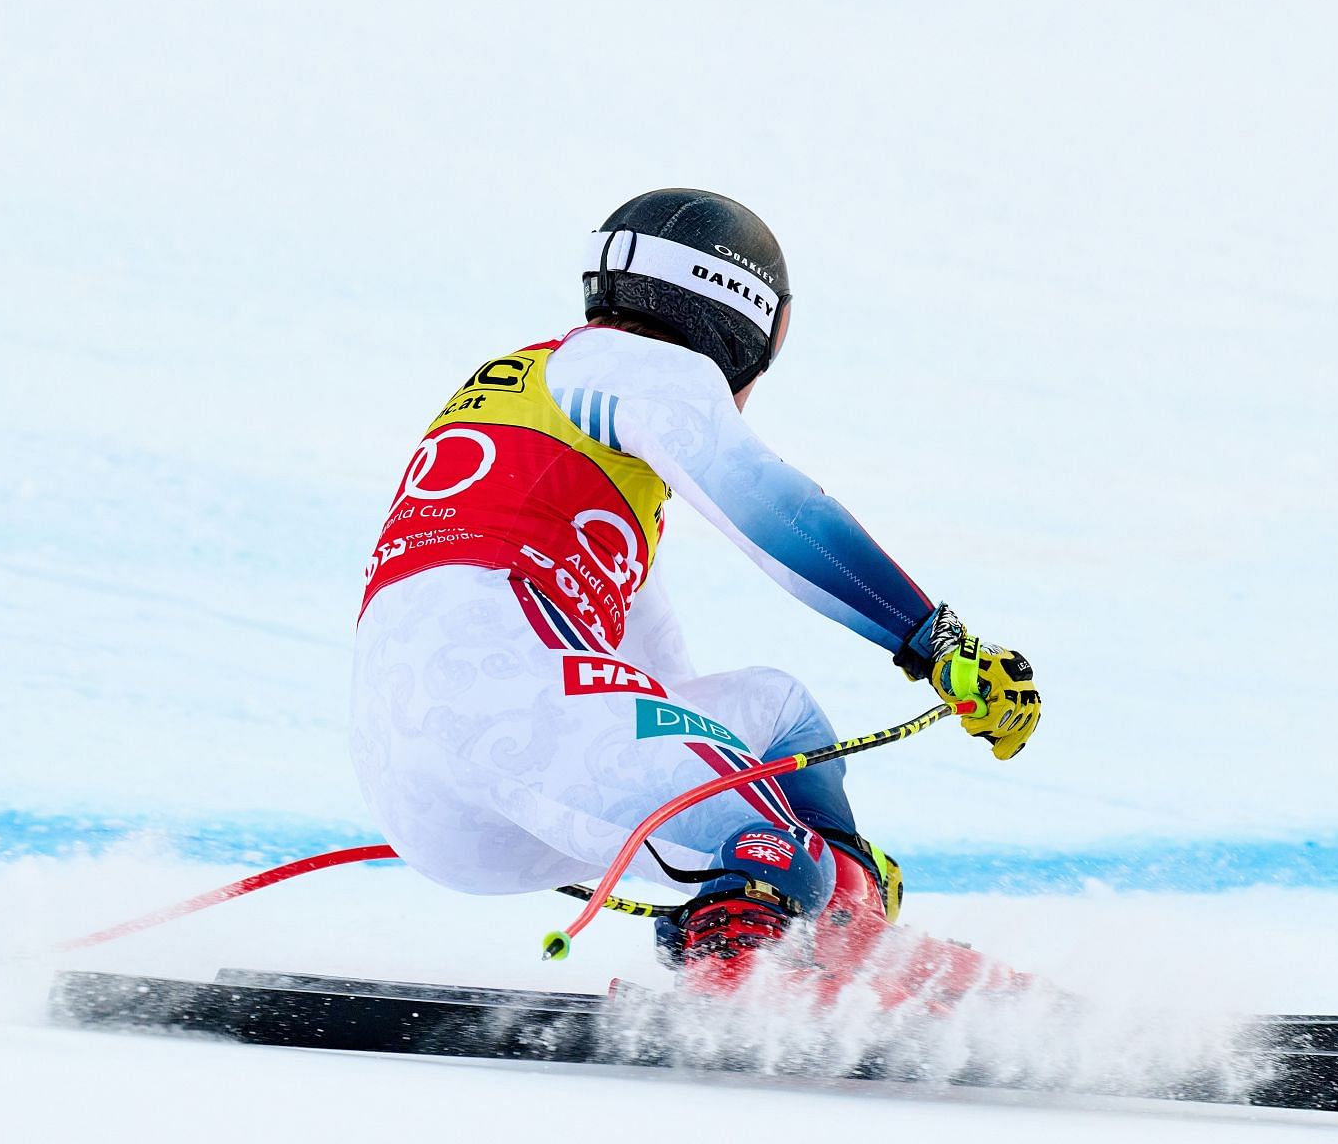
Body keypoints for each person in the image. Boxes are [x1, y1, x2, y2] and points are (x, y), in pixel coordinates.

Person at [350, 187, 1040, 993]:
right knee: (765, 839)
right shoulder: (637, 364)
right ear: (747, 324)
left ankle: (823, 919)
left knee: (777, 713)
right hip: (509, 701)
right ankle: (756, 963)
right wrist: (935, 638)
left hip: (424, 787)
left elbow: (656, 696)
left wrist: (821, 857)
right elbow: (775, 507)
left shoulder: (560, 423)